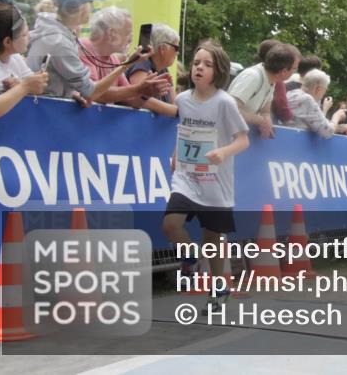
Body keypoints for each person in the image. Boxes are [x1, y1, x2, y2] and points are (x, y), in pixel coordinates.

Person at [162, 40, 249, 307]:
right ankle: (190, 258)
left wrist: (223, 152)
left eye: (207, 64)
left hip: (215, 180)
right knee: (170, 225)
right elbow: (184, 130)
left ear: (218, 71)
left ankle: (218, 286)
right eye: (196, 62)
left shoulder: (224, 103)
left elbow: (243, 140)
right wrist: (177, 156)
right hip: (187, 176)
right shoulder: (182, 100)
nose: (199, 68)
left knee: (213, 238)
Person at [26, 0, 156, 104]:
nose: (93, 7)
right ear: (82, 7)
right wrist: (127, 65)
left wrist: (71, 93)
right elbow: (91, 92)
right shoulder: (59, 43)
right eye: (91, 1)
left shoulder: (54, 34)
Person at [78, 7, 174, 115]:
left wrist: (146, 92)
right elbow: (95, 93)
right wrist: (138, 88)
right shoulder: (84, 47)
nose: (131, 39)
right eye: (128, 33)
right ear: (111, 33)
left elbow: (132, 101)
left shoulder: (113, 59)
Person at [0, 3, 49, 120]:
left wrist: (21, 86)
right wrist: (24, 87)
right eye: (24, 34)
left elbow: (35, 87)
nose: (29, 36)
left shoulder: (14, 56)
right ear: (7, 42)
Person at [227, 41, 298, 138]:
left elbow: (265, 111)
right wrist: (260, 120)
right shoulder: (253, 76)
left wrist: (267, 121)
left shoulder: (272, 81)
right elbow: (229, 109)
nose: (295, 72)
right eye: (294, 69)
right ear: (284, 71)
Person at [286, 68, 347, 138]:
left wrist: (344, 127)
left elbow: (319, 126)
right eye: (324, 90)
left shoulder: (291, 93)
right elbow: (327, 131)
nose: (323, 95)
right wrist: (336, 116)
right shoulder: (307, 99)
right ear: (317, 89)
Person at [125, 23, 180, 104]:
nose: (177, 53)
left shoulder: (163, 69)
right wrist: (174, 111)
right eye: (176, 48)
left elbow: (174, 102)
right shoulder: (141, 64)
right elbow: (140, 100)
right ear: (162, 49)